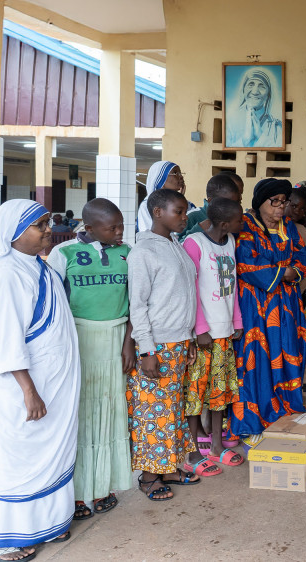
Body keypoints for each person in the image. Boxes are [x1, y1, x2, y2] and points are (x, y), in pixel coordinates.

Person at [0, 200, 78, 560]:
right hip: (27, 389)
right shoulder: (6, 273)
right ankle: (9, 538)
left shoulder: (39, 267)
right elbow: (6, 340)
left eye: (47, 222)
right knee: (20, 461)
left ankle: (48, 523)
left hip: (53, 384)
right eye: (38, 225)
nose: (47, 229)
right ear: (12, 233)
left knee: (50, 457)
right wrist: (29, 390)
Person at [47, 198, 133, 521]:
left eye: (121, 225)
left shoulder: (127, 254)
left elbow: (135, 301)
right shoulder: (63, 254)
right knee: (81, 417)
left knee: (110, 413)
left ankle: (103, 486)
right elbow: (55, 304)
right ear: (90, 227)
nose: (120, 231)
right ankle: (78, 492)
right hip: (79, 341)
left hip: (115, 342)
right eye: (112, 227)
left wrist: (128, 341)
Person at [127, 189, 201, 501]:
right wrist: (146, 350)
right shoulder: (143, 252)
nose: (185, 217)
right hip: (157, 346)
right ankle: (148, 477)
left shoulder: (175, 245)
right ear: (158, 212)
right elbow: (138, 306)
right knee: (153, 414)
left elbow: (184, 296)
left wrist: (191, 337)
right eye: (179, 211)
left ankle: (169, 467)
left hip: (180, 341)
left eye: (185, 212)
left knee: (173, 411)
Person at [231, 179, 306, 444]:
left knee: (287, 351)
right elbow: (245, 263)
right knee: (256, 358)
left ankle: (283, 408)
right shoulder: (245, 225)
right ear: (260, 203)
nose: (280, 207)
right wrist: (283, 271)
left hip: (286, 304)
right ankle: (253, 420)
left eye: (283, 201)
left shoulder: (289, 226)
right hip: (256, 304)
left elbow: (302, 260)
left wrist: (294, 272)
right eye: (273, 201)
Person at [182, 198, 246, 476]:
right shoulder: (195, 243)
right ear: (223, 222)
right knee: (195, 395)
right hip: (204, 335)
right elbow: (190, 288)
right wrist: (200, 329)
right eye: (238, 220)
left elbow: (232, 285)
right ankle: (193, 448)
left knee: (220, 393)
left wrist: (237, 321)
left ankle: (217, 447)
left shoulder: (230, 241)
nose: (241, 225)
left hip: (224, 333)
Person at [227, 68, 283, 148]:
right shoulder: (230, 122)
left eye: (262, 86)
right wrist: (245, 140)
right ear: (244, 89)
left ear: (268, 94)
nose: (255, 91)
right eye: (251, 84)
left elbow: (278, 156)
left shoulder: (277, 127)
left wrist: (260, 135)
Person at [179, 173, 244, 240]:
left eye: (236, 203)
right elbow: (177, 245)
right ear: (211, 201)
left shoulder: (235, 218)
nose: (231, 208)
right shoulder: (192, 217)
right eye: (226, 203)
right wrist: (199, 228)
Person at [137, 161, 189, 233]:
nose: (181, 176)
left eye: (180, 173)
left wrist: (180, 200)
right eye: (176, 173)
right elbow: (148, 235)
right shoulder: (147, 206)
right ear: (161, 179)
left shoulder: (188, 204)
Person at [285, 188, 306, 294]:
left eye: (302, 209)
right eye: (294, 206)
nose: (297, 212)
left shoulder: (301, 230)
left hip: (295, 290)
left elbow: (305, 262)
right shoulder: (268, 227)